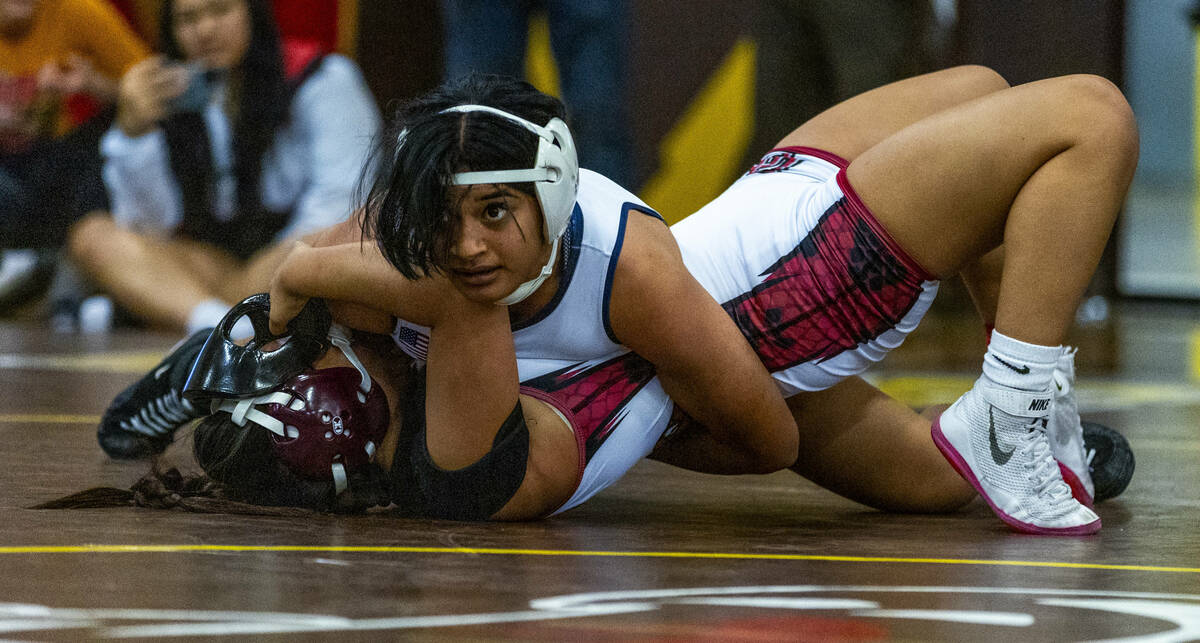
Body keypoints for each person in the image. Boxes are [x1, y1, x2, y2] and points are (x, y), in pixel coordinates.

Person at [97, 68, 1138, 532]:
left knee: (985, 88)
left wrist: (279, 308)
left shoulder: (422, 297)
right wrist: (295, 290)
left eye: (489, 217)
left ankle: (1020, 419)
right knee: (1087, 118)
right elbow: (766, 442)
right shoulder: (484, 333)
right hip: (801, 281)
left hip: (758, 226)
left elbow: (342, 266)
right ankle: (1017, 405)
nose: (467, 250)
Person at [63, 0, 381, 335]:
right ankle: (223, 328)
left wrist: (262, 276)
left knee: (361, 224)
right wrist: (134, 134)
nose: (204, 30)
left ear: (252, 14)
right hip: (217, 264)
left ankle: (177, 311)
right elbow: (151, 227)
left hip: (299, 254)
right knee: (92, 235)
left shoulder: (322, 77)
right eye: (187, 18)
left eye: (220, 11)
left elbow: (340, 202)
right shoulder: (176, 92)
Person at [0, 0, 149, 307]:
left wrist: (92, 83)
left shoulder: (76, 10)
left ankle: (54, 270)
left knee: (91, 148)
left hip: (58, 168)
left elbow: (153, 89)